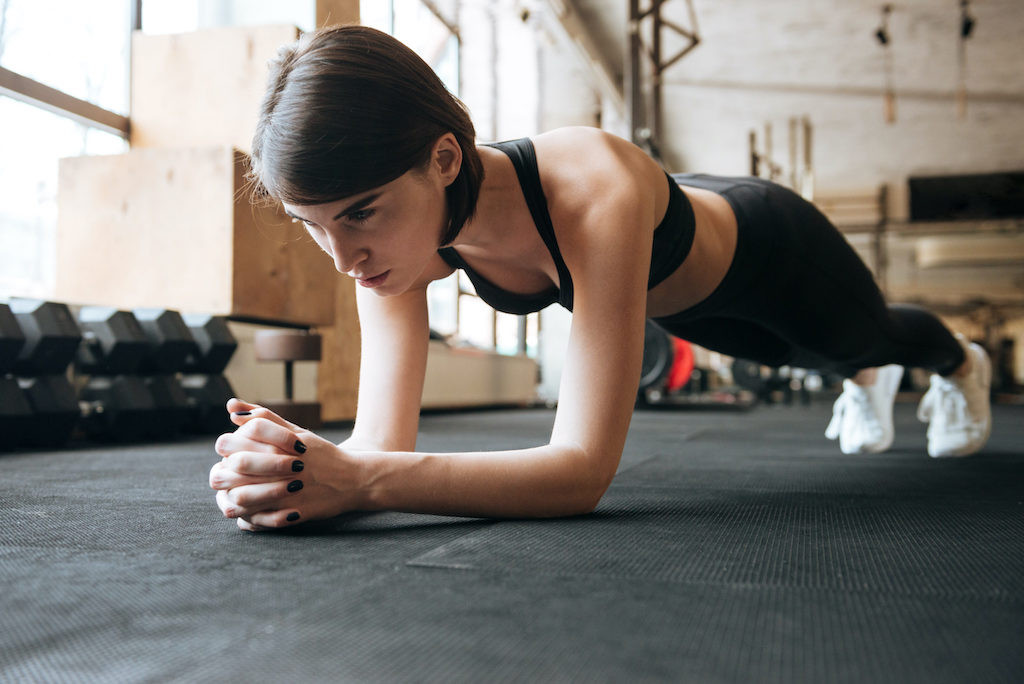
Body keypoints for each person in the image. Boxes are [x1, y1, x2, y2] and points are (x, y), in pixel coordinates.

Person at [209, 25, 992, 531]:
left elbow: (580, 471)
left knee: (873, 338)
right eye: (314, 227)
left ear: (443, 159)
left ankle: (960, 365)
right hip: (684, 308)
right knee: (802, 359)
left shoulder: (591, 187)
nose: (343, 258)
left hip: (770, 251)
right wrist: (297, 470)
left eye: (358, 215)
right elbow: (380, 448)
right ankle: (857, 377)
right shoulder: (393, 243)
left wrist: (362, 481)